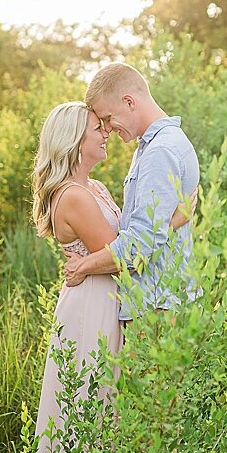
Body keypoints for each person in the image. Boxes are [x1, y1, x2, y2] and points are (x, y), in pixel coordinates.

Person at [18, 100, 192, 453]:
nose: (106, 134)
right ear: (75, 141)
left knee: (106, 423)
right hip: (91, 309)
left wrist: (157, 223)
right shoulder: (72, 197)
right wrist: (175, 218)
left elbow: (128, 240)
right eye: (98, 128)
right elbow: (122, 254)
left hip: (108, 302)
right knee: (85, 421)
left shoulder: (90, 186)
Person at [63, 62, 202, 320]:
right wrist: (169, 224)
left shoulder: (160, 151)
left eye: (107, 118)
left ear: (129, 102)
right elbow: (151, 231)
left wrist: (82, 266)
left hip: (157, 308)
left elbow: (141, 241)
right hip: (158, 304)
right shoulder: (153, 147)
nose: (107, 129)